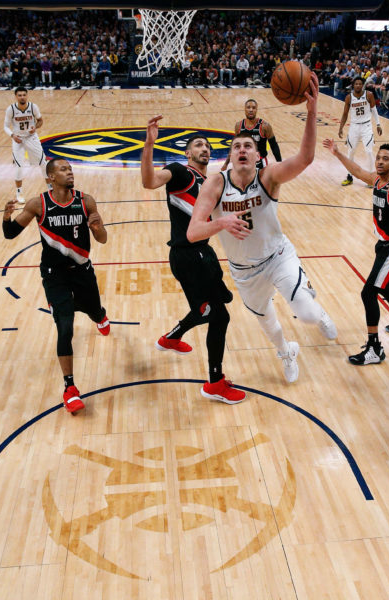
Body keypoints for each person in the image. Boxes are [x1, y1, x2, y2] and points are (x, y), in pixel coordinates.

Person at [187, 74, 337, 383]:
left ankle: (318, 311)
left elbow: (306, 158)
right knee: (271, 327)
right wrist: (221, 223)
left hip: (278, 256)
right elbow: (193, 232)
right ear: (231, 155)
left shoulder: (268, 177)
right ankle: (287, 352)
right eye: (237, 146)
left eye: (248, 146)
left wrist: (312, 112)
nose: (242, 149)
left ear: (257, 156)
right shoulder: (216, 183)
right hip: (244, 271)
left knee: (307, 314)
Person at [140, 115, 244, 404]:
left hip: (203, 253)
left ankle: (171, 338)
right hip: (187, 255)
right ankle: (214, 383)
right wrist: (149, 144)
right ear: (187, 153)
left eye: (208, 146)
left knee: (213, 310)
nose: (205, 148)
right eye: (198, 145)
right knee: (217, 315)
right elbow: (149, 181)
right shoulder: (180, 172)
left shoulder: (211, 182)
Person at [1, 158, 111, 414]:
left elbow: (103, 239)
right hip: (54, 275)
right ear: (50, 177)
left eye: (70, 169)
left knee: (93, 310)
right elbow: (10, 234)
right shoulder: (38, 204)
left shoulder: (86, 201)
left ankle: (100, 316)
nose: (69, 172)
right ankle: (70, 388)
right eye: (63, 169)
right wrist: (6, 217)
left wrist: (98, 228)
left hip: (82, 270)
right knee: (65, 324)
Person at [322, 138, 389, 364]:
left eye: (385, 159)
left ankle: (374, 348)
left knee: (369, 292)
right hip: (384, 245)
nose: (380, 162)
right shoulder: (376, 179)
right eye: (379, 158)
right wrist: (338, 154)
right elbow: (359, 170)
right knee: (386, 286)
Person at [3, 87, 50, 204]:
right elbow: (5, 126)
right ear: (16, 96)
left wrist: (36, 127)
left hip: (31, 137)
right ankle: (19, 193)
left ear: (27, 95)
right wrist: (13, 136)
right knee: (19, 167)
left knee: (43, 163)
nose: (22, 97)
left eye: (24, 95)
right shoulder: (11, 109)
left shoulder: (33, 107)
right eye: (20, 95)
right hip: (18, 139)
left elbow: (40, 121)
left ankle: (50, 190)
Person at [338, 76, 383, 186]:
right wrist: (341, 127)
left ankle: (372, 179)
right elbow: (345, 114)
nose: (358, 85)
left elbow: (374, 110)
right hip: (354, 127)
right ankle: (349, 176)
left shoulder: (369, 95)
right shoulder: (349, 97)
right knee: (350, 153)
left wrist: (378, 124)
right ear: (353, 85)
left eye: (360, 84)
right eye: (356, 84)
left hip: (366, 126)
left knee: (369, 151)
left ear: (363, 85)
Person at [223, 99, 282, 170]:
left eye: (253, 108)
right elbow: (234, 146)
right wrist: (226, 163)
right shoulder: (239, 126)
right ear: (244, 109)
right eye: (248, 107)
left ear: (256, 110)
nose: (251, 110)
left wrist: (280, 164)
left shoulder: (264, 126)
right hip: (244, 162)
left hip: (260, 163)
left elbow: (274, 145)